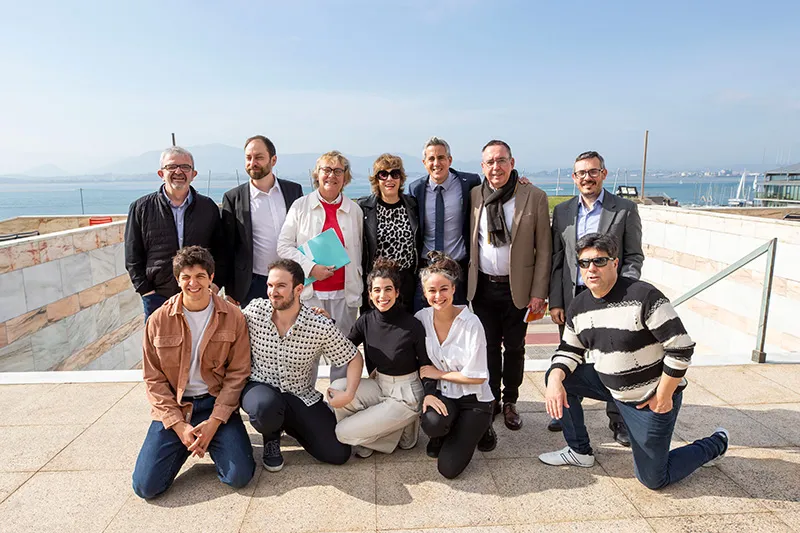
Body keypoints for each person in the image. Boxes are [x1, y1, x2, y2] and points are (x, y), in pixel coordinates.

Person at [539, 233, 729, 490]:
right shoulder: (579, 306)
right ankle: (579, 452)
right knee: (560, 377)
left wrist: (664, 396)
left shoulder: (644, 296)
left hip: (649, 397)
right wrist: (553, 378)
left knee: (653, 479)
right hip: (610, 386)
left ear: (615, 263)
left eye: (599, 261)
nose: (591, 269)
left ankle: (715, 444)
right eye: (584, 263)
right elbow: (570, 350)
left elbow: (681, 348)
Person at [132, 246, 254, 499]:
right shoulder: (157, 320)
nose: (193, 283)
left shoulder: (233, 317)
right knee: (145, 487)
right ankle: (185, 443)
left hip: (215, 404)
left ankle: (209, 440)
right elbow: (153, 379)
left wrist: (215, 422)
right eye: (186, 277)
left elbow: (238, 373)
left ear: (211, 278)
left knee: (240, 477)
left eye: (200, 276)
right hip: (177, 407)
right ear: (177, 281)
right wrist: (179, 427)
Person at [547, 150, 645, 444]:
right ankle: (563, 410)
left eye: (592, 172)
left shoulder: (625, 209)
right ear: (574, 178)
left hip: (610, 296)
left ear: (603, 173)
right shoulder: (562, 211)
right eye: (581, 173)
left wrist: (624, 291)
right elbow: (557, 258)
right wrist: (556, 301)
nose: (586, 178)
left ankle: (620, 421)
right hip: (573, 294)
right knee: (568, 355)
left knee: (615, 358)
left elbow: (634, 255)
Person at [240, 258, 363, 472]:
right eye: (270, 285)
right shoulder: (255, 311)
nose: (272, 292)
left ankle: (290, 423)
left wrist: (349, 393)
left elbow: (353, 357)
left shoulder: (318, 325)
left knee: (337, 453)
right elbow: (223, 319)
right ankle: (271, 436)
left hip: (299, 395)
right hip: (260, 387)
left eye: (280, 286)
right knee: (264, 407)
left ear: (298, 289)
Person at [466, 140, 551, 445]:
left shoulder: (533, 196)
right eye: (490, 162)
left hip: (519, 289)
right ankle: (490, 400)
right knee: (487, 348)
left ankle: (511, 400)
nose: (496, 167)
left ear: (512, 163)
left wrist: (540, 292)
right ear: (482, 167)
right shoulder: (475, 195)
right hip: (484, 287)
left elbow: (544, 249)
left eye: (501, 161)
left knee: (514, 348)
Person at [277, 151, 363, 381]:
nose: (331, 175)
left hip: (344, 294)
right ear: (317, 174)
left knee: (342, 353)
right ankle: (307, 409)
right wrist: (310, 268)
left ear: (345, 177)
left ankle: (339, 406)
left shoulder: (355, 210)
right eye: (326, 169)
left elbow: (360, 252)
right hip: (309, 294)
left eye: (338, 171)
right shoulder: (300, 206)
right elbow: (283, 246)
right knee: (306, 355)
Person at [329, 259, 428, 457]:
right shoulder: (366, 320)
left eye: (388, 289)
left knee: (341, 433)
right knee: (336, 389)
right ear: (370, 294)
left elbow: (426, 364)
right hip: (379, 384)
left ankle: (390, 433)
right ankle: (385, 432)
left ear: (397, 292)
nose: (382, 296)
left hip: (405, 394)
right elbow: (342, 349)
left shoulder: (412, 324)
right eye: (377, 290)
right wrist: (326, 323)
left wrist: (431, 394)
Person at [416, 252, 494, 479]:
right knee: (432, 422)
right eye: (432, 290)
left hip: (475, 399)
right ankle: (443, 433)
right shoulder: (421, 318)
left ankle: (481, 427)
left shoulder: (471, 323)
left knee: (448, 469)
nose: (438, 296)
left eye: (443, 289)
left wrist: (439, 373)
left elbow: (478, 377)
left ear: (453, 289)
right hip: (446, 395)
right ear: (424, 293)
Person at [124, 146, 224, 322]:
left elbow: (222, 251)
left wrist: (214, 286)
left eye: (185, 167)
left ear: (194, 174)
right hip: (158, 298)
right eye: (171, 167)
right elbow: (133, 255)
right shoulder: (141, 208)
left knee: (202, 347)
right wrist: (146, 291)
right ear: (161, 173)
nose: (178, 171)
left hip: (199, 295)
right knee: (161, 347)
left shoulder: (208, 208)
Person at [221, 135, 303, 308]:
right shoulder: (233, 198)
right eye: (248, 158)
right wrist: (231, 290)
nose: (253, 163)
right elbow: (228, 247)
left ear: (273, 160)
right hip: (252, 284)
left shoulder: (294, 190)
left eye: (259, 157)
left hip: (291, 280)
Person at [408, 137, 481, 309]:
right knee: (424, 322)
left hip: (458, 267)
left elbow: (494, 189)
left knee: (458, 322)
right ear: (424, 162)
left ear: (450, 160)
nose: (436, 163)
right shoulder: (415, 189)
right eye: (431, 159)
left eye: (441, 157)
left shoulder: (470, 183)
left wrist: (518, 183)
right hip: (427, 267)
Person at [358, 154, 421, 313]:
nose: (389, 179)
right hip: (378, 281)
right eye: (383, 174)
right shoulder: (364, 207)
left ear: (400, 178)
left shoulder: (413, 205)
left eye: (395, 174)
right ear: (376, 179)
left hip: (406, 280)